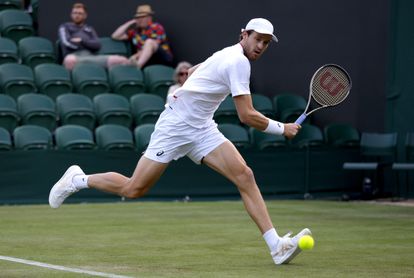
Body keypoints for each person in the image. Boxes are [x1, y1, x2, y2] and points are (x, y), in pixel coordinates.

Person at [49, 18, 311, 265]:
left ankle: (276, 246)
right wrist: (282, 128)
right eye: (258, 39)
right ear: (244, 35)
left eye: (266, 43)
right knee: (134, 189)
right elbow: (246, 115)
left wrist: (194, 75)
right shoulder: (238, 62)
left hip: (202, 128)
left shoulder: (229, 53)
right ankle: (76, 180)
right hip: (175, 127)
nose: (261, 46)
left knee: (245, 176)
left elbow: (198, 68)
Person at [58, 3, 130, 70]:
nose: (77, 15)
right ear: (71, 14)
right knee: (69, 60)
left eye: (80, 13)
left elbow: (97, 45)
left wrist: (82, 41)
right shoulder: (65, 26)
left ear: (85, 15)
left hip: (91, 57)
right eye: (75, 13)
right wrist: (87, 45)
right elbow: (66, 43)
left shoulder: (89, 29)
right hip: (73, 56)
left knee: (121, 60)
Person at [111, 4, 173, 68]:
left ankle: (137, 67)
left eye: (142, 17)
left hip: (162, 58)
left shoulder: (157, 27)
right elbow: (115, 36)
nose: (140, 19)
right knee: (121, 63)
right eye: (138, 17)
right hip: (147, 61)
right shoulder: (135, 31)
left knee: (149, 42)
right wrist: (131, 22)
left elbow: (153, 45)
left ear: (149, 18)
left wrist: (135, 56)